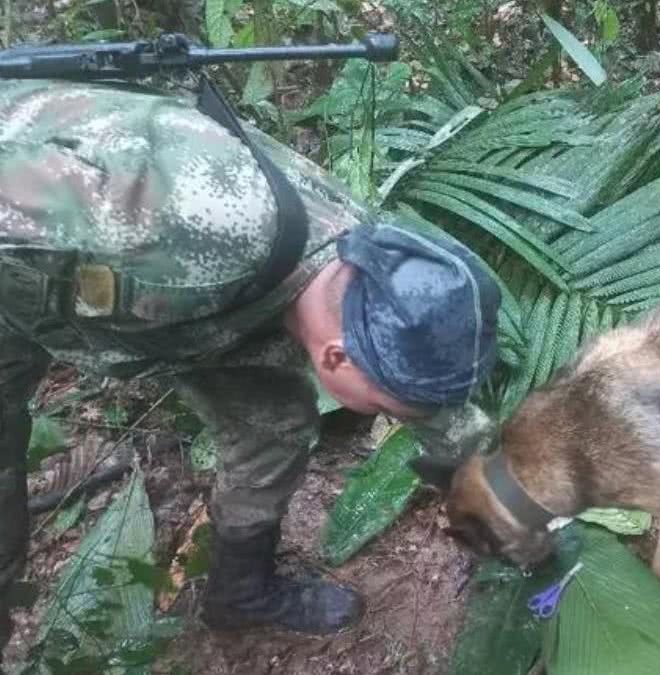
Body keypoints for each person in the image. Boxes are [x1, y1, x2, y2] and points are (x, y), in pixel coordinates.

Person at [0, 76, 501, 656]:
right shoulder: (172, 228)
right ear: (334, 356)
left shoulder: (368, 269)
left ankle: (240, 591)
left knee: (272, 424)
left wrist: (505, 492)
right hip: (22, 278)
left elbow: (426, 396)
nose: (389, 416)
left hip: (182, 312)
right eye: (384, 407)